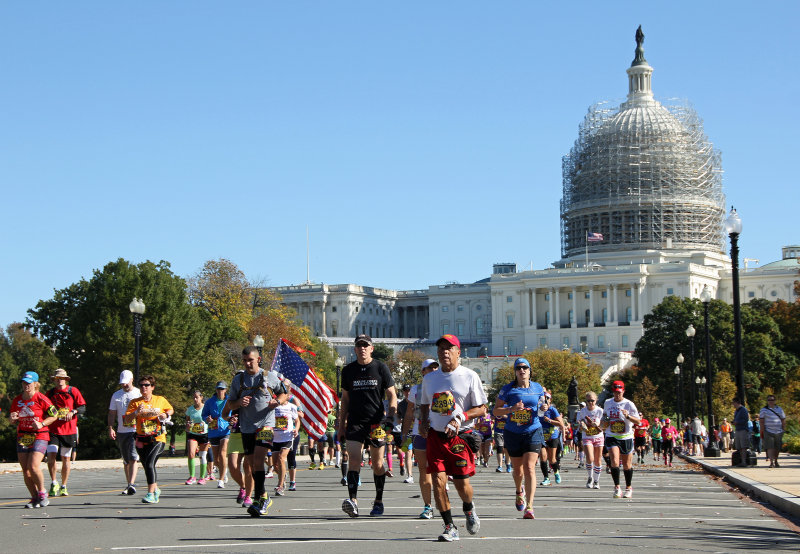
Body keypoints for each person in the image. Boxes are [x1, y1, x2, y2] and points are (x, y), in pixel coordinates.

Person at [420, 334, 488, 541]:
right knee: (438, 481)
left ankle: (468, 508)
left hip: (460, 437)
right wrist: (423, 422)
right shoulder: (429, 378)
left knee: (461, 485)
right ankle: (450, 526)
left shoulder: (469, 376)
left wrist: (461, 417)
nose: (444, 352)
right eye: (441, 349)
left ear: (459, 352)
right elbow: (424, 403)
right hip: (435, 437)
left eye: (449, 348)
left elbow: (482, 409)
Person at [338, 334, 397, 517]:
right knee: (354, 460)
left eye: (366, 345)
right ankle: (353, 501)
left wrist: (391, 416)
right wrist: (341, 425)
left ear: (371, 348)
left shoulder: (380, 367)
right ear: (355, 349)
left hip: (376, 423)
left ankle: (378, 501)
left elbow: (391, 394)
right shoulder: (348, 370)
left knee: (378, 464)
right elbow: (345, 400)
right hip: (355, 422)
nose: (362, 348)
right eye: (359, 346)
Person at [226, 345, 288, 517]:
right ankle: (262, 496)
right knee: (252, 464)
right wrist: (239, 403)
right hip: (246, 427)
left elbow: (284, 394)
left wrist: (278, 402)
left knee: (259, 459)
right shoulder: (238, 380)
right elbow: (230, 404)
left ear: (258, 359)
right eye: (245, 360)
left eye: (250, 360)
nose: (247, 363)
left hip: (266, 424)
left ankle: (260, 498)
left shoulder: (269, 377)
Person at [494, 357, 545, 519]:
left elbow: (543, 409)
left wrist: (544, 408)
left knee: (530, 467)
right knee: (518, 470)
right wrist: (511, 409)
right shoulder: (508, 389)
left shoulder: (537, 388)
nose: (522, 370)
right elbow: (495, 411)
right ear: (515, 372)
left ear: (530, 371)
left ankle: (529, 506)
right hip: (513, 432)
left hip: (533, 430)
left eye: (525, 368)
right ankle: (519, 491)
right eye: (518, 368)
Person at [11, 371, 58, 508]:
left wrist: (42, 423)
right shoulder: (17, 400)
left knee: (33, 466)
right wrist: (12, 419)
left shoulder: (41, 398)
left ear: (36, 384)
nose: (26, 385)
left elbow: (54, 415)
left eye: (29, 383)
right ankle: (34, 497)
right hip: (23, 436)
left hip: (40, 435)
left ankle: (42, 492)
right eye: (24, 382)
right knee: (25, 470)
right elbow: (12, 418)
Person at [124, 375, 174, 504]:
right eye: (141, 385)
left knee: (150, 463)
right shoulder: (135, 402)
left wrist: (166, 414)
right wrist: (136, 413)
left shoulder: (160, 400)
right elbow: (126, 420)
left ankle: (151, 493)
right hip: (141, 439)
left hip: (157, 438)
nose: (143, 388)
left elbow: (170, 409)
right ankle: (155, 489)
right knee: (146, 465)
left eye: (146, 385)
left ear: (152, 387)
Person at [400, 358, 439, 519]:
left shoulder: (444, 386)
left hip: (439, 432)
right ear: (423, 372)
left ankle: (442, 502)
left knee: (438, 469)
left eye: (436, 368)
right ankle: (428, 506)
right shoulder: (416, 390)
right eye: (429, 368)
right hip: (419, 432)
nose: (433, 371)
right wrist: (404, 434)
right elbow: (409, 414)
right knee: (424, 469)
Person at [45, 368, 86, 497]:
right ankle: (53, 482)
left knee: (66, 459)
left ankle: (63, 485)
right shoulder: (50, 393)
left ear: (66, 379)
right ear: (54, 380)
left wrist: (73, 412)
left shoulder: (72, 391)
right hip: (53, 430)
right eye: (57, 379)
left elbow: (82, 407)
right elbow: (43, 408)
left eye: (62, 378)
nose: (59, 381)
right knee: (51, 456)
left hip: (69, 430)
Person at [600, 380, 640, 498]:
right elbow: (604, 419)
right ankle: (617, 487)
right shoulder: (607, 403)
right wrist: (603, 423)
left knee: (627, 465)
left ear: (623, 391)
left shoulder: (629, 404)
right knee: (615, 461)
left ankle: (628, 487)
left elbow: (638, 421)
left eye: (619, 392)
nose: (617, 395)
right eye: (615, 392)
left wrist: (628, 416)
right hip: (612, 435)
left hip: (626, 436)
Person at [108, 370, 141, 495]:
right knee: (126, 459)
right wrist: (110, 427)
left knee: (133, 457)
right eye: (122, 383)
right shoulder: (116, 395)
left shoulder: (138, 393)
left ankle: (132, 483)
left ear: (131, 380)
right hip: (122, 431)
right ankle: (129, 484)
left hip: (135, 430)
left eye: (126, 383)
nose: (124, 385)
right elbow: (112, 413)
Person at [203, 381, 231, 488]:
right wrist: (207, 418)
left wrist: (232, 420)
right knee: (216, 458)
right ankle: (224, 470)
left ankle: (221, 479)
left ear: (225, 390)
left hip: (225, 430)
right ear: (216, 390)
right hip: (213, 430)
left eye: (222, 389)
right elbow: (204, 414)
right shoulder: (209, 402)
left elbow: (233, 413)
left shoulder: (229, 401)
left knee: (223, 453)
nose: (220, 391)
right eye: (218, 389)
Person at [271, 392, 300, 495]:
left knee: (281, 458)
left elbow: (297, 421)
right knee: (274, 464)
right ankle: (283, 476)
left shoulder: (291, 407)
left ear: (287, 396)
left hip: (287, 437)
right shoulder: (273, 406)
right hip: (275, 438)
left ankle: (280, 486)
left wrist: (296, 429)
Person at [537, 390, 565, 486]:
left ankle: (556, 472)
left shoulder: (552, 410)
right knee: (543, 457)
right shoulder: (538, 410)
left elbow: (561, 424)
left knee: (552, 459)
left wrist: (549, 420)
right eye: (543, 399)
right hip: (541, 437)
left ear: (550, 400)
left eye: (547, 399)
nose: (545, 401)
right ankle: (546, 478)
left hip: (552, 436)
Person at [577, 391, 604, 488]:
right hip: (587, 436)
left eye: (592, 401)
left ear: (596, 400)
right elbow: (579, 425)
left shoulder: (600, 411)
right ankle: (590, 477)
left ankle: (596, 480)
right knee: (590, 458)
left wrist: (598, 425)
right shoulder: (582, 411)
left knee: (598, 459)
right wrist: (582, 426)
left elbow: (604, 424)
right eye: (588, 401)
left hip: (598, 436)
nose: (590, 403)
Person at [184, 390, 210, 485]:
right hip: (193, 434)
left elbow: (210, 419)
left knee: (202, 456)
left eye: (197, 397)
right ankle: (192, 476)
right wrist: (187, 425)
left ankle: (202, 477)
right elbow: (187, 421)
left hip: (204, 434)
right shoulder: (190, 409)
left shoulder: (206, 408)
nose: (195, 399)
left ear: (201, 398)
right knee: (191, 454)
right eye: (194, 397)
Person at [759, 395, 786, 468]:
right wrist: (762, 431)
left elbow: (783, 419)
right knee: (770, 447)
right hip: (768, 431)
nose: (771, 401)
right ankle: (771, 462)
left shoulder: (779, 409)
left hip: (778, 431)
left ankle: (776, 460)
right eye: (769, 400)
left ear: (775, 401)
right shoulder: (763, 410)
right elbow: (761, 421)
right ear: (767, 401)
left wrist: (783, 429)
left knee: (777, 447)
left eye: (772, 400)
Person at [732, 397, 750, 467]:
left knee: (743, 446)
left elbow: (745, 420)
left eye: (733, 403)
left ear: (737, 402)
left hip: (743, 429)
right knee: (739, 447)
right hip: (738, 429)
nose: (733, 404)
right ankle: (741, 461)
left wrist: (737, 422)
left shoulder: (743, 410)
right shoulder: (736, 411)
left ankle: (744, 461)